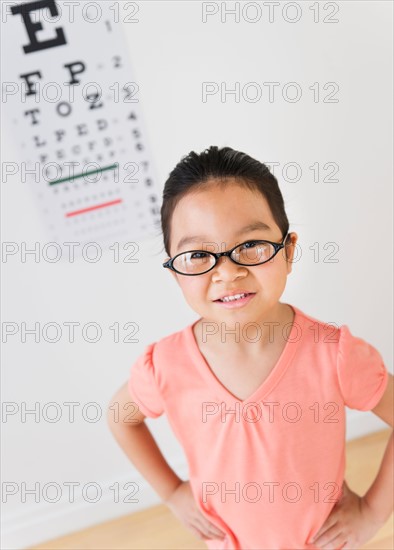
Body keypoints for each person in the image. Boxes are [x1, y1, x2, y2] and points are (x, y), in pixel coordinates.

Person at [107, 146, 393, 549]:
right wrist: (173, 493)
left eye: (251, 246)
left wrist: (373, 513)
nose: (228, 272)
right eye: (197, 255)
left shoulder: (334, 355)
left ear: (289, 251)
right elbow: (121, 417)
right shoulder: (165, 365)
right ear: (174, 271)